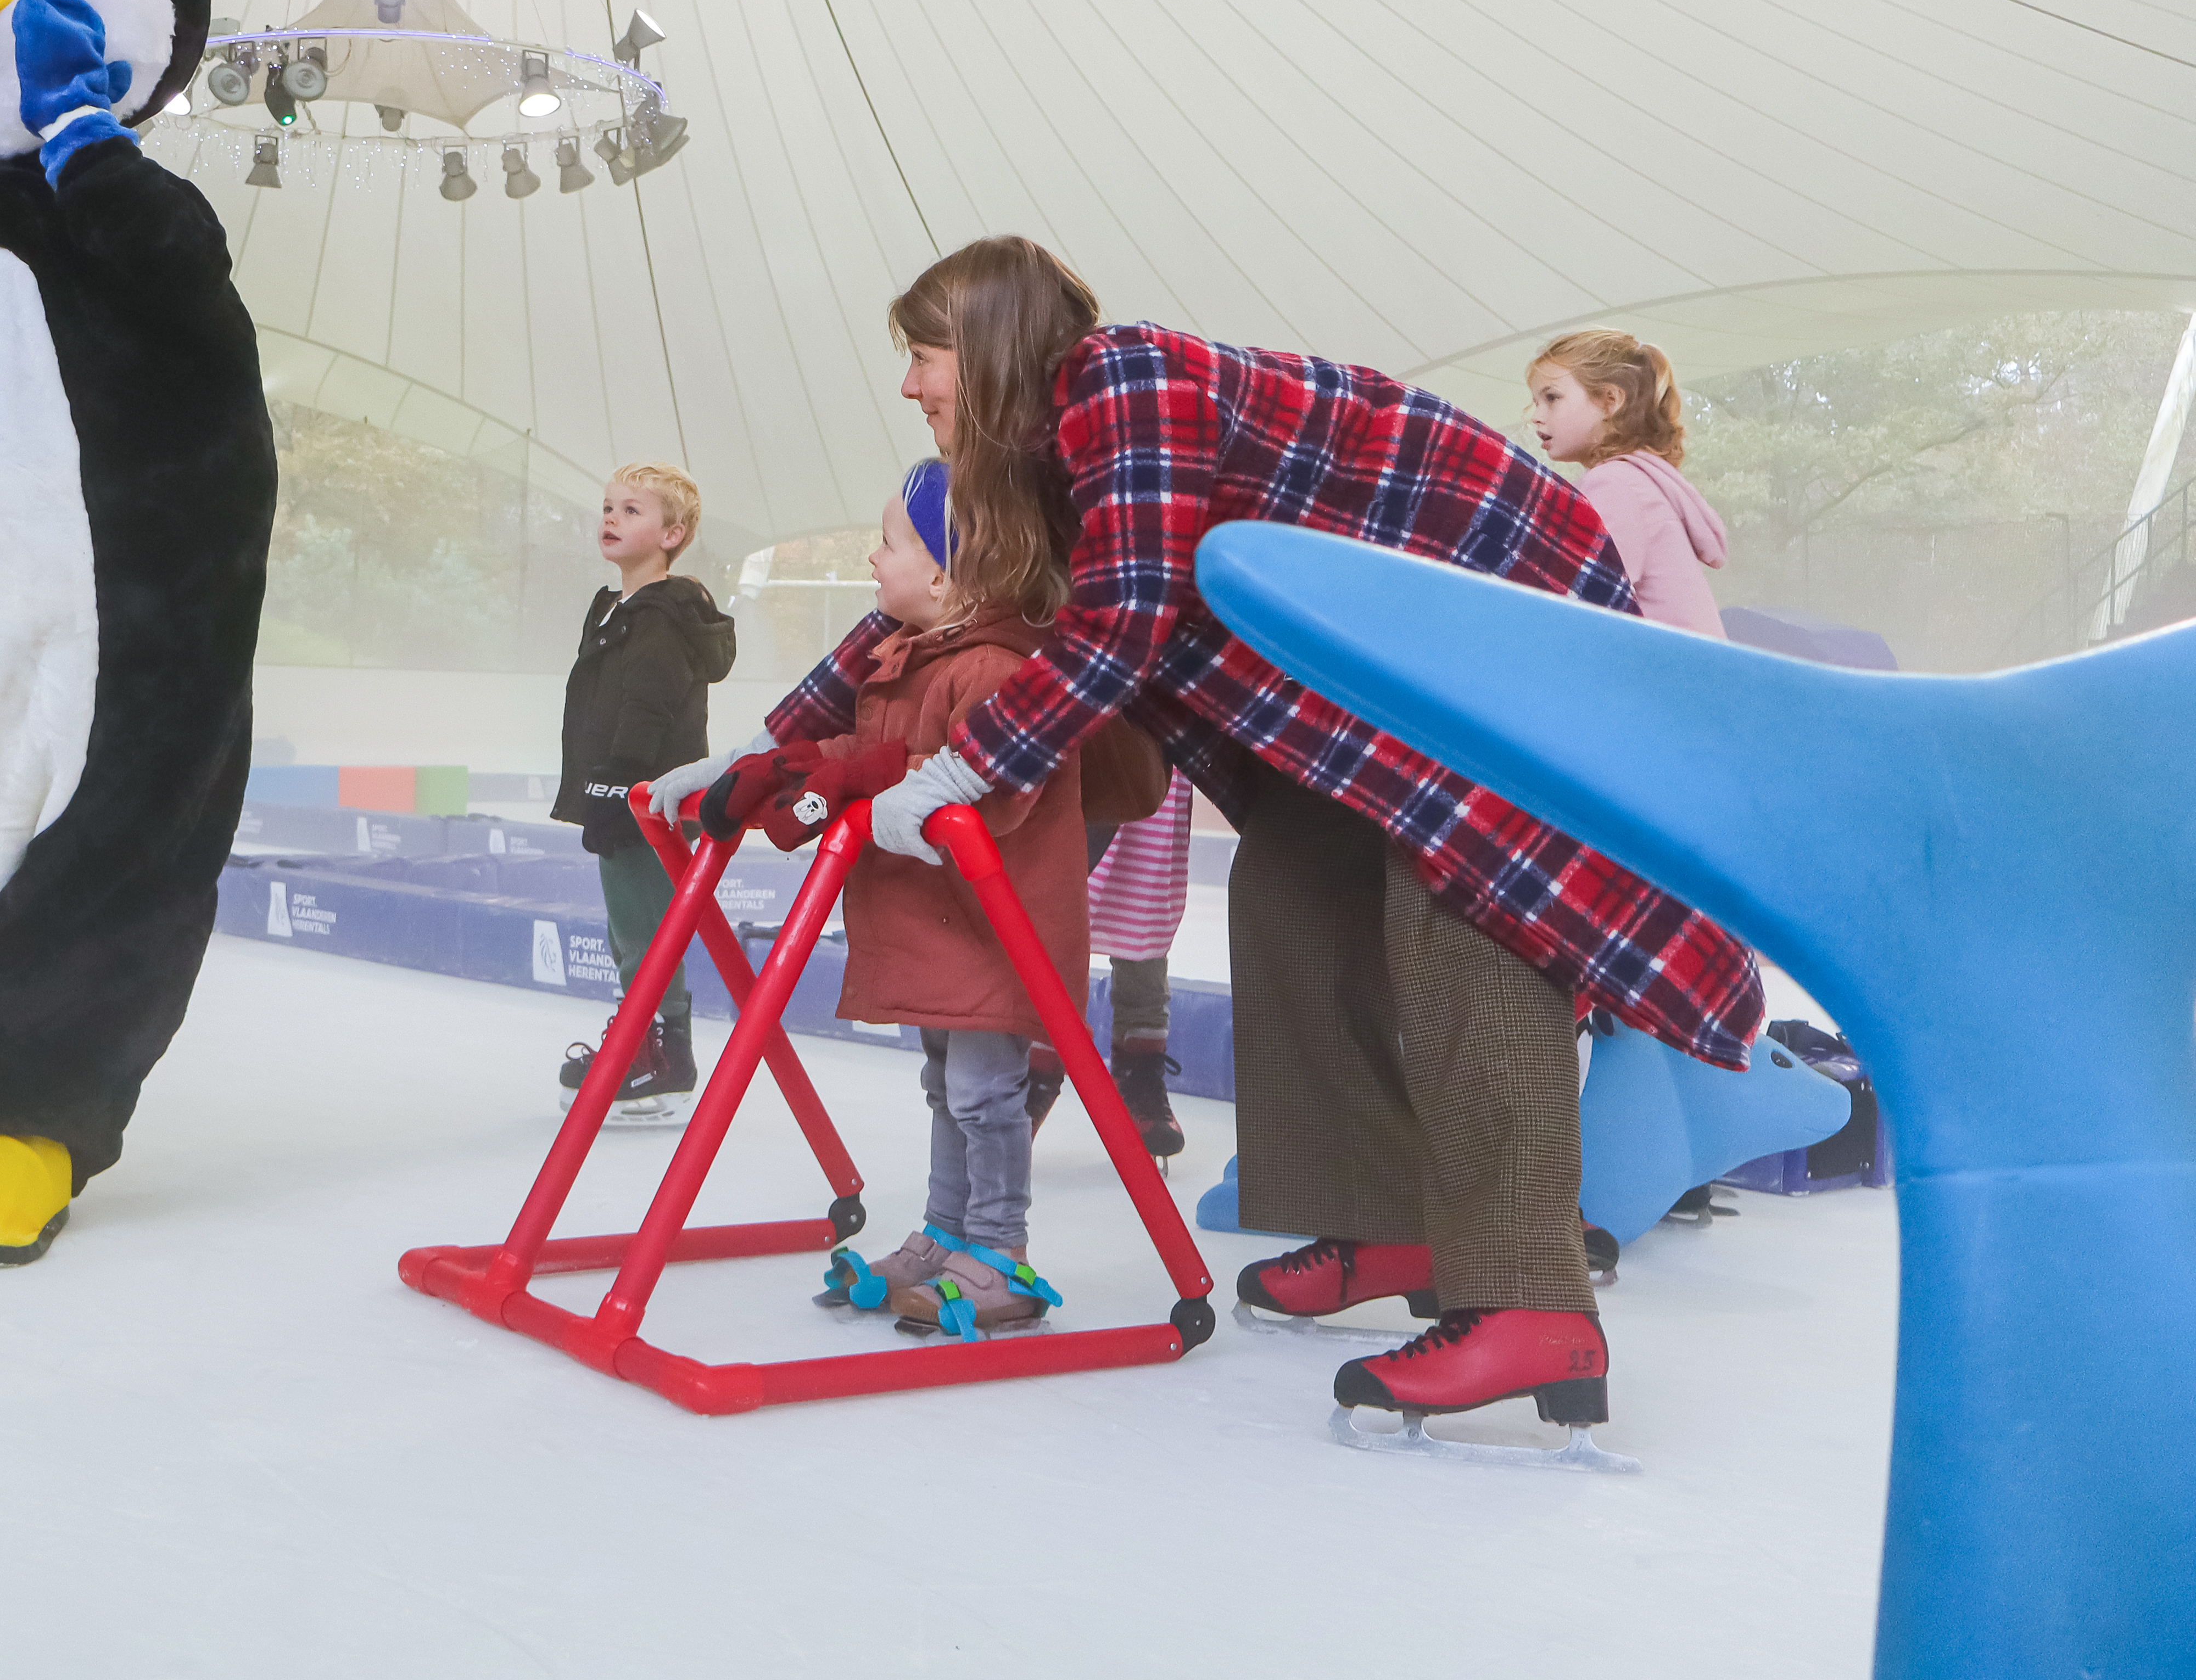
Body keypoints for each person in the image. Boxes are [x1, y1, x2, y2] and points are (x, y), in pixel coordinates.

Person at [656, 237, 1763, 1442]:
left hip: (1490, 606)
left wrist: (963, 768)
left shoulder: (1123, 383)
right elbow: (932, 614)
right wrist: (759, 748)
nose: (911, 384)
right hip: (1370, 668)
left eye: (925, 355)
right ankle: (1391, 1218)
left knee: (1470, 909)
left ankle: (1533, 1305)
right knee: (1291, 879)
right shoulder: (1028, 461)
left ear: (991, 346)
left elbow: (1125, 617)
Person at [787, 460, 1090, 1337]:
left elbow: (997, 785)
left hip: (994, 931)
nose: (872, 559)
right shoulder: (912, 661)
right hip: (942, 924)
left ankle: (1001, 1252)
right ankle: (947, 1234)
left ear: (951, 574)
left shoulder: (993, 668)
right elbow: (870, 749)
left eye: (890, 543)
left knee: (985, 1097)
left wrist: (873, 775)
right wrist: (796, 768)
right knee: (945, 1087)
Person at [546, 465, 737, 1115]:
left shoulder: (661, 618)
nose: (611, 518)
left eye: (631, 510)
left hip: (647, 801)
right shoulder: (618, 610)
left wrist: (614, 785)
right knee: (631, 928)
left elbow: (646, 707)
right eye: (608, 507)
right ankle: (650, 1044)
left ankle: (659, 1053)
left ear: (672, 534)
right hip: (622, 794)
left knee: (645, 931)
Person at [1527, 331, 1728, 637]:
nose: (1537, 416)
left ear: (1610, 402)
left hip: (1661, 666)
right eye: (1536, 402)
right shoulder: (1637, 480)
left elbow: (1583, 594)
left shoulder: (1615, 485)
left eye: (1552, 398)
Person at [1081, 775, 1193, 1156]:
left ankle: (1139, 1072)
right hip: (1075, 766)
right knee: (1054, 924)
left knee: (1144, 919)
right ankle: (1032, 1076)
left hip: (1154, 771)